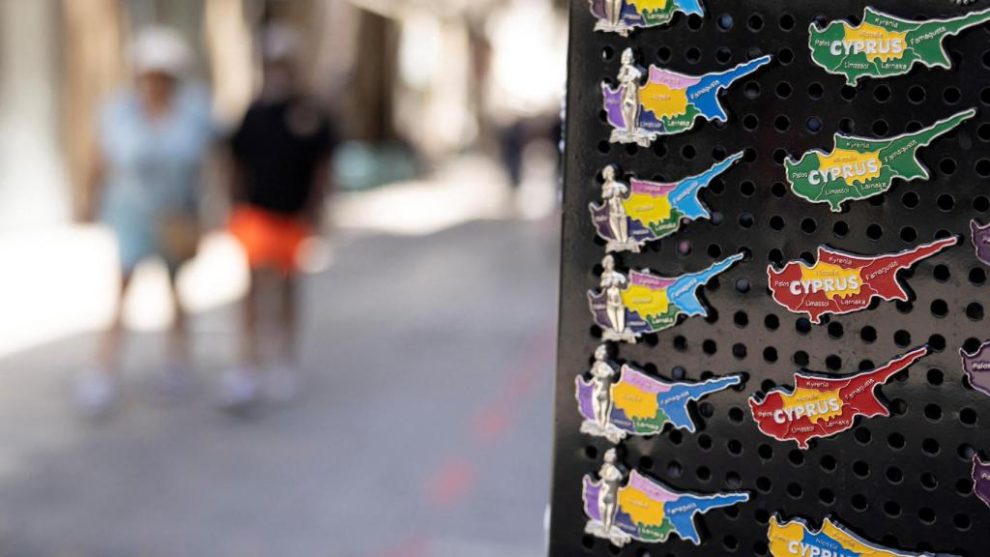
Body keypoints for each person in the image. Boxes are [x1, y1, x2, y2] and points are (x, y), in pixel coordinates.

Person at [76, 27, 214, 415]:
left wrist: (210, 213)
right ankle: (103, 371)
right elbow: (99, 159)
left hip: (177, 215)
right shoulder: (118, 112)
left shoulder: (193, 112)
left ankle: (177, 361)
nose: (154, 83)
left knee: (176, 291)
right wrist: (87, 201)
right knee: (122, 291)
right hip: (132, 214)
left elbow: (210, 161)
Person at [222, 25, 334, 408]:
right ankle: (247, 363)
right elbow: (234, 161)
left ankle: (284, 358)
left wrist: (317, 210)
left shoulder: (311, 113)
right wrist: (233, 205)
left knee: (287, 287)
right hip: (257, 215)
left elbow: (323, 166)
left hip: (293, 218)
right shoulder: (255, 112)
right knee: (253, 288)